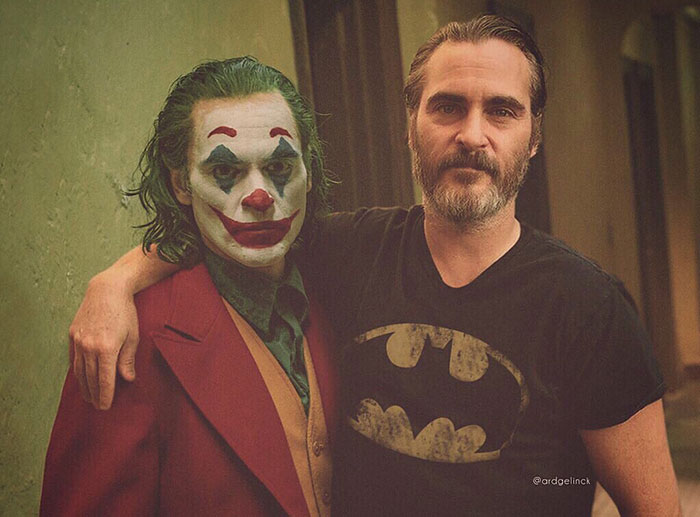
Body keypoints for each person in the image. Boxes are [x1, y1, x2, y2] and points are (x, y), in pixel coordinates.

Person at [67, 15, 681, 516]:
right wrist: (116, 282)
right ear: (411, 126)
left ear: (534, 135)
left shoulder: (590, 309)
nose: (472, 134)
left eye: (501, 110)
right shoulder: (345, 251)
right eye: (446, 107)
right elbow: (235, 234)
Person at [42, 57, 339, 516]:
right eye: (225, 172)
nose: (259, 197)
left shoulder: (341, 283)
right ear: (182, 184)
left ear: (310, 172)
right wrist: (112, 283)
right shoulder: (129, 343)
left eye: (280, 166)